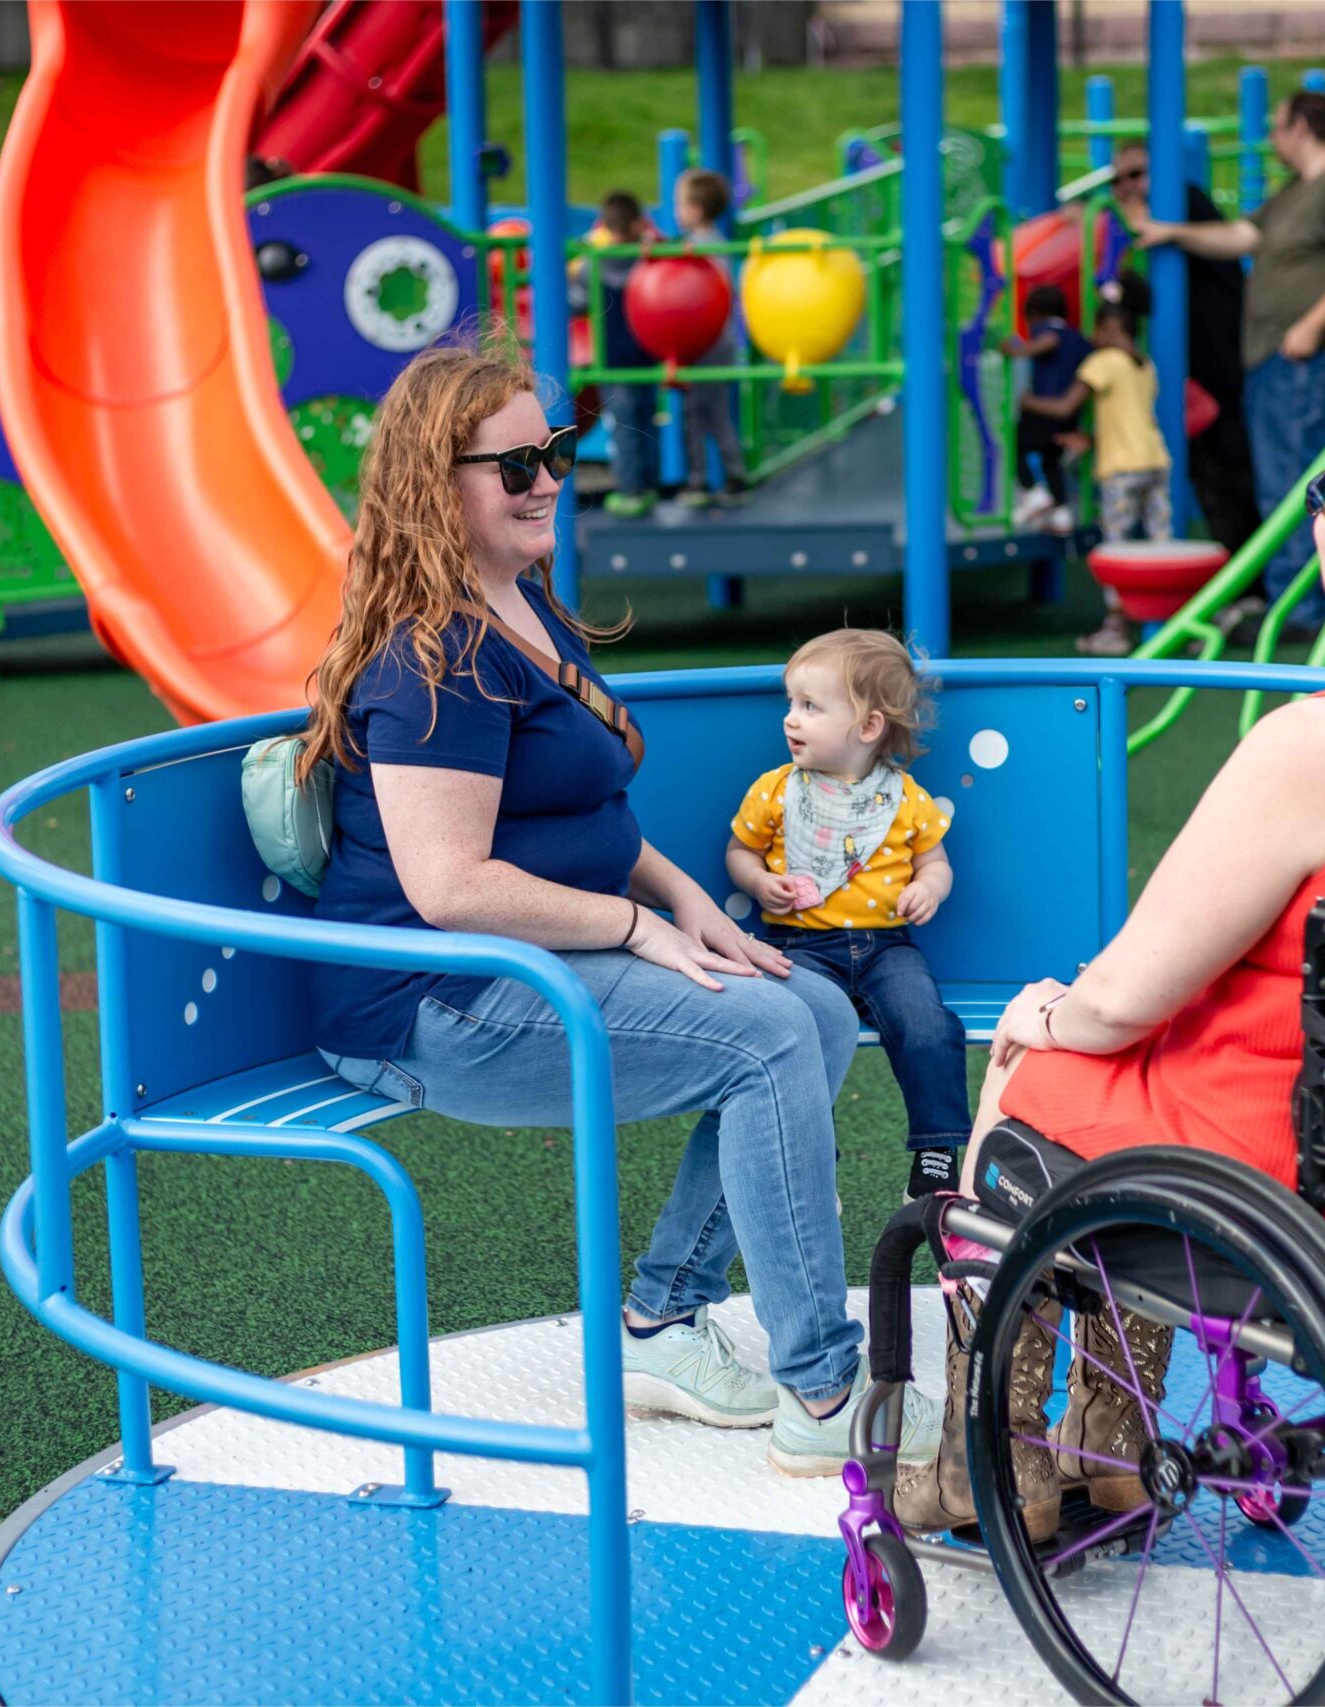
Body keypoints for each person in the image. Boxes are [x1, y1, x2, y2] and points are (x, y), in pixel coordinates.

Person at [892, 414, 1325, 1530]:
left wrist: (1044, 1017)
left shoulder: (1324, 742)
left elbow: (1130, 993)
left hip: (1310, 1152)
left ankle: (1001, 1464)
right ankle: (1107, 1438)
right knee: (1132, 1063)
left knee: (1036, 1072)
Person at [298, 335, 930, 1476]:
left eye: (557, 450)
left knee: (817, 1010)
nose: (546, 479)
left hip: (523, 967)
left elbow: (601, 824)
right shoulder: (431, 657)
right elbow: (449, 888)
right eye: (513, 465)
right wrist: (640, 929)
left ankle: (660, 1323)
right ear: (430, 485)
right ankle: (827, 1394)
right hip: (434, 1004)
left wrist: (695, 908)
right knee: (767, 1038)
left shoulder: (522, 606)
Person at [1121, 91, 1325, 626]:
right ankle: (1301, 602)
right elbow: (1244, 235)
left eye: (1278, 126)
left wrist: (1312, 324)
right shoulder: (1294, 193)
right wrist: (1172, 232)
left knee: (1299, 485)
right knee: (1283, 484)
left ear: (1303, 127)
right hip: (1279, 362)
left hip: (1313, 361)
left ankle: (1306, 611)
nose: (1272, 138)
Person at [726, 631, 970, 1200]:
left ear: (868, 727)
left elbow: (936, 862)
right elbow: (739, 852)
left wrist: (929, 889)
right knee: (800, 1031)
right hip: (802, 945)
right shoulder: (777, 791)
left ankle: (936, 1150)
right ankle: (814, 1153)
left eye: (810, 707)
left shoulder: (905, 797)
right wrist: (760, 883)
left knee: (928, 1025)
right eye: (790, 703)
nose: (791, 719)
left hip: (888, 947)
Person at [1106, 138, 1261, 557]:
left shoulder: (1183, 203)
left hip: (1222, 369)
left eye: (1137, 174)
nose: (1126, 187)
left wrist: (1139, 218)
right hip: (1195, 373)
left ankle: (1257, 584)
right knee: (1211, 479)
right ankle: (1240, 580)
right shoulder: (1162, 231)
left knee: (1235, 476)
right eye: (1117, 180)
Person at [1023, 301, 1172, 656]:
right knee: (1161, 543)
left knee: (1115, 547)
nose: (1091, 336)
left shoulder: (1102, 362)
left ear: (1111, 329)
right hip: (1155, 460)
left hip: (1121, 467)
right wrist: (1089, 440)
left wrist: (1026, 401)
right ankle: (1170, 620)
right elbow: (1128, 418)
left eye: (1096, 328)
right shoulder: (1145, 365)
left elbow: (1063, 407)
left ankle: (1116, 627)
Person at [671, 167, 749, 509]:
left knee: (697, 413)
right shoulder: (718, 242)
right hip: (720, 340)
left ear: (696, 210)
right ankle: (731, 473)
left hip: (707, 342)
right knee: (713, 411)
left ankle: (700, 479)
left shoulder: (697, 249)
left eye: (680, 204)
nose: (676, 211)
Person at [583, 191, 661, 518]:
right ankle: (651, 484)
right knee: (647, 420)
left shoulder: (593, 263)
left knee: (625, 427)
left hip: (612, 362)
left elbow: (576, 299)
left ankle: (630, 490)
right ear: (636, 224)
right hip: (646, 354)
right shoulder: (649, 260)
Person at [1000, 282, 1090, 534]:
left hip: (1043, 410)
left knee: (1015, 446)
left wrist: (1016, 350)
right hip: (1070, 416)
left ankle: (1032, 492)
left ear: (1035, 314)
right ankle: (1061, 514)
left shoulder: (1048, 331)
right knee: (1051, 460)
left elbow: (1048, 342)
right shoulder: (1079, 337)